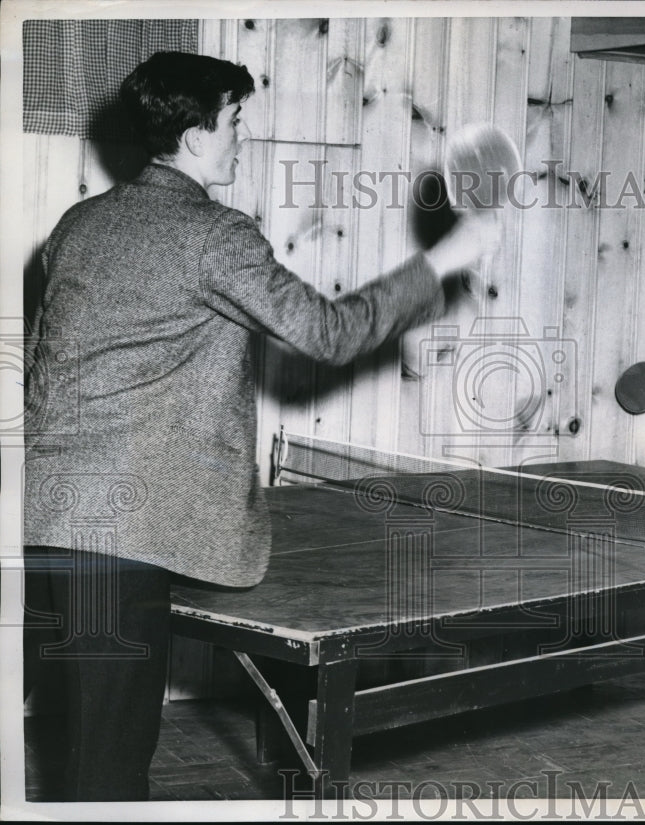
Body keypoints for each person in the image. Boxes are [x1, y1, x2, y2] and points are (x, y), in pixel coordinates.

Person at [22, 51, 498, 801]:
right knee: (107, 770)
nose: (244, 136)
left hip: (57, 518)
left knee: (92, 749)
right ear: (199, 132)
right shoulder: (216, 235)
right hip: (123, 532)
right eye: (237, 119)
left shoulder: (78, 224)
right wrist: (439, 264)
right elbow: (330, 332)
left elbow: (49, 372)